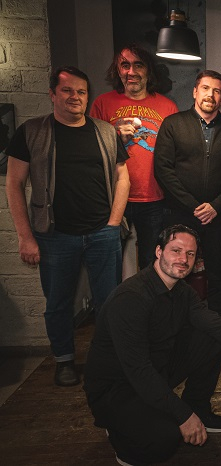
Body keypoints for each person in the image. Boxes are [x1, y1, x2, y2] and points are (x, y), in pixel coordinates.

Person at [84, 224, 221, 465]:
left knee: (211, 336)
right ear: (158, 251)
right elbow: (138, 370)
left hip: (156, 369)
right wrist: (183, 416)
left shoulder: (181, 290)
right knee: (164, 440)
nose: (183, 259)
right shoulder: (131, 298)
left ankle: (199, 409)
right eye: (176, 250)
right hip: (118, 387)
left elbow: (211, 321)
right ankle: (118, 431)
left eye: (190, 254)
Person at [5, 66, 129, 387]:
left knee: (108, 302)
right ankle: (64, 360)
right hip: (54, 236)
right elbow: (14, 184)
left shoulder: (105, 131)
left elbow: (122, 177)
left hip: (103, 232)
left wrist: (114, 223)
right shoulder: (32, 132)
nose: (75, 97)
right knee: (58, 303)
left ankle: (105, 358)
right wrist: (25, 237)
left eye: (81, 91)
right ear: (52, 94)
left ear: (88, 96)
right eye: (67, 90)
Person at [154, 70, 221, 318]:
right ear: (195, 92)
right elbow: (163, 170)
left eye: (217, 91)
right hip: (180, 215)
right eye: (205, 88)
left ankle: (216, 325)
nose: (211, 95)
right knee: (176, 271)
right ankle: (174, 323)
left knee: (217, 274)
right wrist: (193, 206)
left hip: (218, 218)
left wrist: (215, 206)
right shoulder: (173, 124)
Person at [91, 44, 179, 270]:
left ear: (148, 70)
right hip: (112, 197)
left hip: (154, 198)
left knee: (152, 263)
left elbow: (175, 155)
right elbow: (91, 152)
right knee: (109, 261)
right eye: (125, 65)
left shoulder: (168, 107)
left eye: (138, 65)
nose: (131, 72)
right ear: (117, 70)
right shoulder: (102, 104)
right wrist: (115, 137)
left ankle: (147, 295)